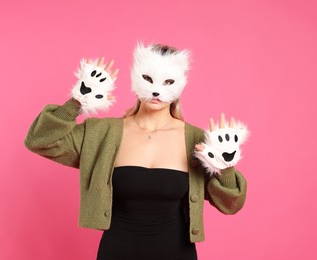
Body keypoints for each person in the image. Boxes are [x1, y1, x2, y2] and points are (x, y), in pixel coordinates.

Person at [24, 42, 248, 260]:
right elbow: (39, 141)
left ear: (180, 84)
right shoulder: (102, 133)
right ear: (136, 76)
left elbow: (231, 205)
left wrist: (225, 167)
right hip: (115, 254)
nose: (157, 90)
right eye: (149, 79)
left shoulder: (198, 141)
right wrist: (77, 101)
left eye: (168, 81)